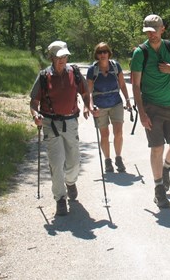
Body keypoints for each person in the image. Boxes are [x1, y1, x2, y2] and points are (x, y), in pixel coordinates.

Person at [130, 14, 170, 208]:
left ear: (162, 29)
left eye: (154, 31)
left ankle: (166, 168)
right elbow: (136, 86)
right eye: (147, 31)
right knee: (156, 148)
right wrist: (141, 112)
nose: (151, 35)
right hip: (151, 107)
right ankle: (158, 189)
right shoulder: (140, 53)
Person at [30, 40, 90, 217]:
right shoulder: (43, 76)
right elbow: (34, 102)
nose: (62, 59)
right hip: (50, 124)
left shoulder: (75, 73)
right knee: (56, 163)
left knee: (74, 162)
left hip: (71, 123)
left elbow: (85, 93)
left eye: (65, 56)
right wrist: (36, 115)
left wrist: (88, 106)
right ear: (51, 58)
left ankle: (70, 182)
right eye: (59, 57)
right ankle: (60, 198)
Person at [87, 42, 132, 173]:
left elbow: (122, 85)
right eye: (100, 52)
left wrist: (128, 100)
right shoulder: (92, 70)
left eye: (105, 51)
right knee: (105, 134)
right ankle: (107, 160)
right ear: (96, 55)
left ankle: (118, 158)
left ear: (109, 53)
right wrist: (89, 107)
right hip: (99, 105)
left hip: (116, 103)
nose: (102, 54)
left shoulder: (115, 66)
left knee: (118, 132)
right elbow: (88, 91)